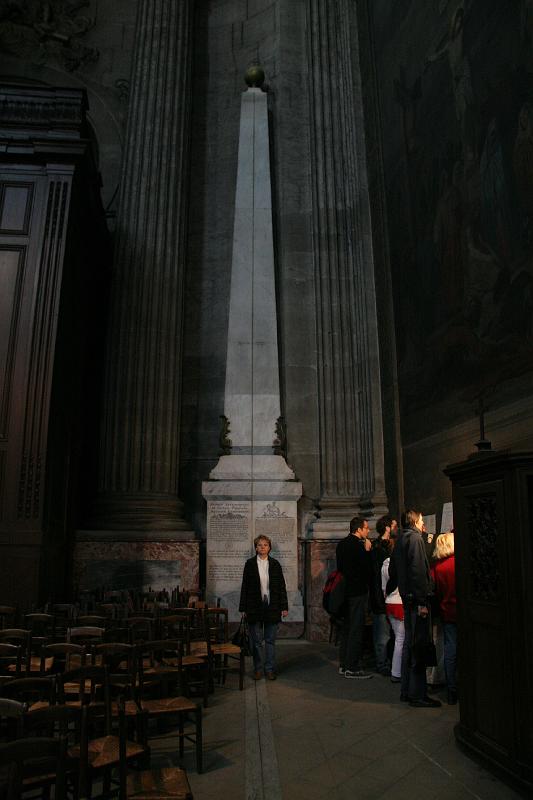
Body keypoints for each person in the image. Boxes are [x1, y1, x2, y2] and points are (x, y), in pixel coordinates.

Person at [392, 508, 441, 707]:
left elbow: (396, 570)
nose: (423, 524)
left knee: (409, 646)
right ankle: (418, 694)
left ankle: (406, 690)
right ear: (414, 521)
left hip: (407, 598)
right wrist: (422, 602)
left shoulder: (401, 539)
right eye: (421, 520)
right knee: (419, 646)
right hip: (416, 601)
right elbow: (418, 571)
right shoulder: (415, 539)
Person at [238, 534, 288, 681]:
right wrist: (243, 608)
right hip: (254, 607)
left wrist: (284, 607)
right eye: (260, 545)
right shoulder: (250, 564)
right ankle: (258, 669)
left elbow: (281, 587)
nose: (262, 547)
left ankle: (270, 669)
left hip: (272, 607)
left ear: (269, 547)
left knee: (270, 641)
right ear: (256, 547)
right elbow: (245, 587)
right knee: (257, 641)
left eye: (265, 545)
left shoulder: (275, 564)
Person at [336, 516, 373, 679]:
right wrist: (367, 551)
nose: (368, 530)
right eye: (366, 528)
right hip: (357, 592)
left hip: (345, 593)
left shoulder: (342, 544)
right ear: (358, 529)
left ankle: (344, 665)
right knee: (356, 629)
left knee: (347, 629)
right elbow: (365, 569)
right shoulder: (359, 546)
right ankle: (353, 667)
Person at [431, 532, 457, 704]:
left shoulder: (437, 568)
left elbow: (434, 591)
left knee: (450, 651)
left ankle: (451, 690)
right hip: (463, 612)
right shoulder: (457, 563)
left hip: (447, 612)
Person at [369, 516, 393, 675]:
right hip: (380, 596)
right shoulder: (377, 548)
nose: (395, 529)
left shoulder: (385, 545)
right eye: (394, 525)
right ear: (387, 527)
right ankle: (382, 663)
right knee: (382, 634)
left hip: (388, 595)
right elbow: (377, 576)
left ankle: (387, 661)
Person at [381, 548, 404, 684]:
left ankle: (396, 669)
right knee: (401, 639)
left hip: (389, 602)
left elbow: (384, 586)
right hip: (399, 602)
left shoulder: (384, 565)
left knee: (397, 637)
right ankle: (397, 671)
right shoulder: (397, 566)